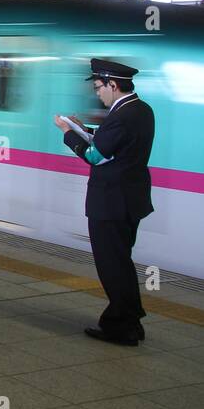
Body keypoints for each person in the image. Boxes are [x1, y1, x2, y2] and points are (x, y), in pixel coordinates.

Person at [53, 58, 155, 346]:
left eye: (99, 87)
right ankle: (131, 322)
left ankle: (121, 327)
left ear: (113, 85)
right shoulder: (141, 110)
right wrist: (81, 128)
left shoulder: (121, 115)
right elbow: (110, 145)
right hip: (129, 199)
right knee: (121, 261)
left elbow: (95, 156)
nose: (97, 92)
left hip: (111, 201)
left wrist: (67, 133)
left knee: (112, 265)